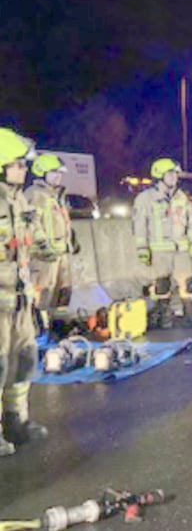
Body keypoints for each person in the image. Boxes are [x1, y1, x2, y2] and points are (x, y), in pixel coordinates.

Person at [0, 128, 49, 456]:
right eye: (18, 164)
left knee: (24, 359)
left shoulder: (19, 200)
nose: (24, 169)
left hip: (19, 298)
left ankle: (16, 420)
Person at [132, 158, 192, 329]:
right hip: (159, 251)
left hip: (182, 250)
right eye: (170, 174)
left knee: (189, 285)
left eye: (175, 174)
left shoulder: (181, 197)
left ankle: (190, 318)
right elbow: (139, 226)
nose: (174, 177)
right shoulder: (146, 199)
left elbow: (190, 222)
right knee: (161, 286)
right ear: (159, 176)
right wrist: (142, 249)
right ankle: (164, 318)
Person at [25, 154, 78, 334]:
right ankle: (39, 331)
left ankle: (59, 329)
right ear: (42, 173)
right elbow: (32, 223)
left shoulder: (57, 196)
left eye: (60, 173)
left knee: (63, 292)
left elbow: (62, 221)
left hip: (61, 254)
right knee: (43, 295)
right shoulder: (35, 195)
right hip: (43, 257)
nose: (58, 176)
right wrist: (42, 245)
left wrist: (73, 239)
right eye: (54, 173)